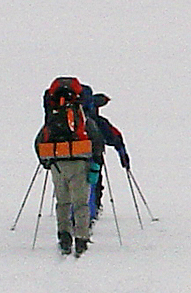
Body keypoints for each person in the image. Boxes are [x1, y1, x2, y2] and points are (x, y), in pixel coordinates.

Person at [35, 78, 105, 256]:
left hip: (57, 162)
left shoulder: (53, 116)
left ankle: (64, 237)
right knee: (80, 203)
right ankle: (81, 239)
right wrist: (96, 164)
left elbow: (39, 140)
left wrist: (46, 162)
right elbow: (96, 139)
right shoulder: (81, 116)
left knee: (63, 202)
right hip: (80, 162)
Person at [88, 93, 130, 223]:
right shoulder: (97, 122)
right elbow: (114, 137)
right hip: (94, 158)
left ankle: (68, 217)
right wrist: (123, 157)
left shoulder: (66, 119)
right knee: (93, 184)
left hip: (67, 158)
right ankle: (90, 213)